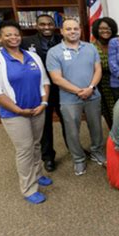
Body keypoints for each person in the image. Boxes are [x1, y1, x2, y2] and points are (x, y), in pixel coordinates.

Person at [0, 20, 52, 204]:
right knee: (24, 150)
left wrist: (44, 102)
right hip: (15, 114)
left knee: (35, 144)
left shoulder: (33, 56)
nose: (13, 37)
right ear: (0, 38)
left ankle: (38, 173)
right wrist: (19, 110)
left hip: (37, 109)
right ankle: (28, 188)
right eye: (7, 35)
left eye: (16, 34)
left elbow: (45, 81)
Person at [46, 18, 106, 176]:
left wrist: (90, 88)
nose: (72, 32)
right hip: (69, 99)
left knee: (96, 128)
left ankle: (97, 152)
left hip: (92, 95)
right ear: (62, 31)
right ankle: (78, 159)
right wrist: (80, 91)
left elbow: (98, 70)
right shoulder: (54, 52)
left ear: (80, 30)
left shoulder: (90, 48)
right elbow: (56, 78)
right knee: (72, 131)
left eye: (75, 29)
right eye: (68, 29)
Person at [21, 14, 65, 172]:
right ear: (36, 25)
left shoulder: (63, 38)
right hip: (40, 90)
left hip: (63, 88)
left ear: (55, 25)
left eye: (49, 24)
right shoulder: (26, 42)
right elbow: (10, 53)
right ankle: (48, 157)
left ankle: (74, 150)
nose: (46, 27)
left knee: (67, 121)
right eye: (42, 24)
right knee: (45, 125)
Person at [92, 17, 118, 128]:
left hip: (118, 81)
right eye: (101, 28)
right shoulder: (91, 47)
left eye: (108, 28)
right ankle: (113, 133)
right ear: (96, 30)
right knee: (106, 110)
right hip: (101, 84)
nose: (105, 31)